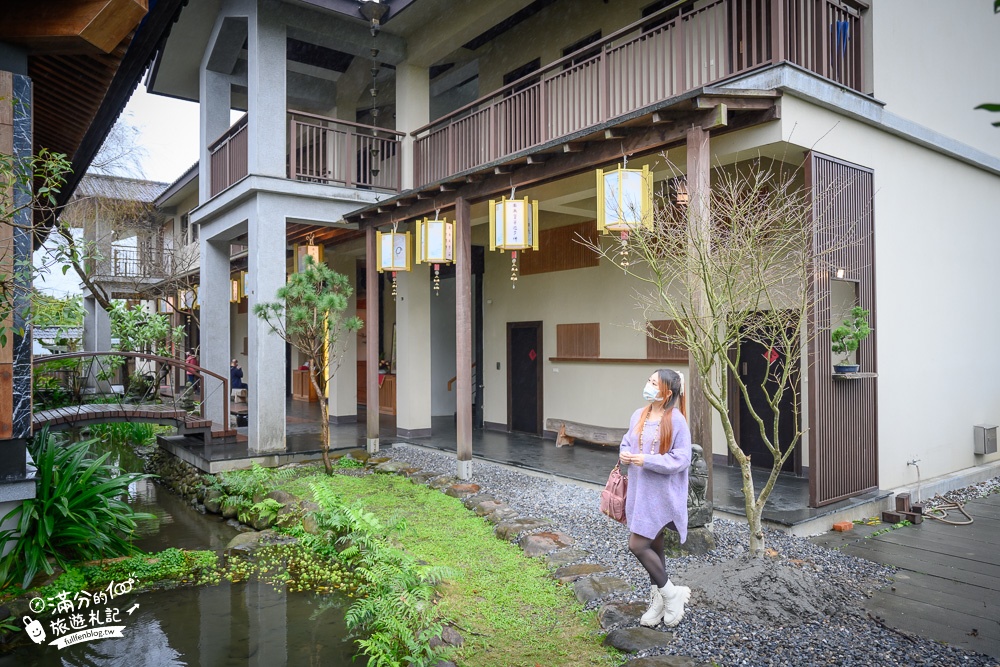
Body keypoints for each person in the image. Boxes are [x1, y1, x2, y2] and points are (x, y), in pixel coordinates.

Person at [619, 368, 692, 628]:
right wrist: (625, 453)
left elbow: (682, 459)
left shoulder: (677, 421)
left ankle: (672, 593)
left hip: (662, 496)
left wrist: (646, 460)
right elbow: (627, 442)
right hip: (640, 493)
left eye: (654, 383)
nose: (648, 385)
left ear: (667, 392)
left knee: (637, 545)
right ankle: (659, 601)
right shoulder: (639, 414)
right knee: (656, 547)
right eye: (648, 380)